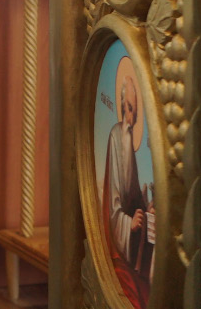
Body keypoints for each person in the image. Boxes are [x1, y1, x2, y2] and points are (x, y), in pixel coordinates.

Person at [103, 59, 154, 305]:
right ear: (123, 106)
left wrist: (146, 208)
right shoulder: (116, 136)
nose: (132, 118)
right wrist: (129, 224)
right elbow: (113, 208)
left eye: (135, 111)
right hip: (117, 248)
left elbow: (133, 197)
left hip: (130, 246)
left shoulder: (129, 139)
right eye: (130, 109)